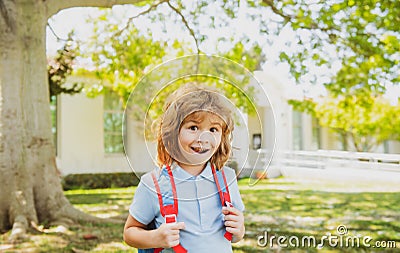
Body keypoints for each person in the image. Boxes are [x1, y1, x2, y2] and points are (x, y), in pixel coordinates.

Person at [123, 84, 245, 253]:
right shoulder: (153, 183)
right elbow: (129, 233)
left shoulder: (228, 178)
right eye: (193, 127)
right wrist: (155, 238)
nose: (204, 138)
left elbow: (235, 235)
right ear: (172, 132)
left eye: (213, 129)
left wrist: (239, 230)